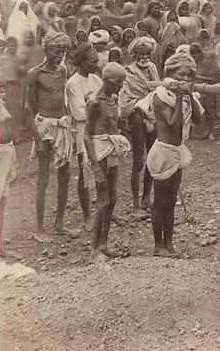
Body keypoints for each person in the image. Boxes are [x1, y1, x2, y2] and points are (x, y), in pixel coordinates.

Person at [146, 46, 206, 257]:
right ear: (170, 74)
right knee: (160, 201)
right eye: (181, 74)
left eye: (189, 75)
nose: (186, 78)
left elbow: (200, 122)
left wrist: (191, 97)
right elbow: (172, 124)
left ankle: (169, 244)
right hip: (163, 152)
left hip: (177, 151)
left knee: (171, 201)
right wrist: (181, 97)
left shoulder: (187, 96)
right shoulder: (160, 96)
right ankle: (158, 245)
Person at [26, 31, 77, 242]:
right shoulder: (35, 73)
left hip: (62, 125)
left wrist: (68, 123)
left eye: (63, 51)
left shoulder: (64, 70)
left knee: (64, 176)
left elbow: (62, 99)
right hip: (44, 127)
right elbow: (28, 107)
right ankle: (39, 229)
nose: (60, 55)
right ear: (46, 50)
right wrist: (37, 138)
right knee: (43, 178)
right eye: (56, 50)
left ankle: (59, 225)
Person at [83, 62, 132, 262]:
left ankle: (104, 244)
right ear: (106, 80)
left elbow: (113, 122)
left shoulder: (114, 97)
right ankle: (94, 249)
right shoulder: (94, 102)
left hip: (110, 147)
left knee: (112, 199)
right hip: (99, 150)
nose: (121, 86)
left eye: (123, 82)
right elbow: (86, 136)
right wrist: (95, 167)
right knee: (102, 201)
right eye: (118, 82)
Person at [119, 35, 159, 217]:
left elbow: (157, 90)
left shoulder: (152, 68)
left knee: (152, 157)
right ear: (134, 55)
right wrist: (141, 104)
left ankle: (146, 198)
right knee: (138, 160)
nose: (144, 57)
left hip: (152, 112)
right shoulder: (128, 73)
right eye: (140, 54)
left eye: (147, 54)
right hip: (136, 113)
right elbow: (125, 98)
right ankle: (135, 204)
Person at [65, 43, 103, 232]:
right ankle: (87, 215)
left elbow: (106, 102)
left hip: (101, 127)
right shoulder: (73, 83)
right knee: (85, 171)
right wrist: (97, 109)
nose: (97, 64)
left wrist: (95, 106)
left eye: (97, 60)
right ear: (80, 62)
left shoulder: (96, 79)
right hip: (84, 130)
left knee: (104, 167)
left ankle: (103, 209)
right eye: (93, 61)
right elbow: (80, 112)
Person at [0, 76, 19, 259]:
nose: (1, 93)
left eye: (2, 89)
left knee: (2, 201)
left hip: (7, 151)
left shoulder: (1, 104)